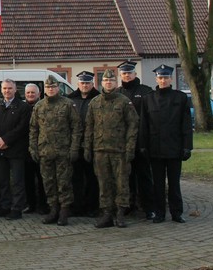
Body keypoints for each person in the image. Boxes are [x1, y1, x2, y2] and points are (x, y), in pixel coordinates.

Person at [83, 70, 139, 228]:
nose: (108, 83)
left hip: (119, 150)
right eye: (106, 80)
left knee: (121, 183)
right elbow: (89, 127)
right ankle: (107, 213)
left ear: (116, 82)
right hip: (100, 150)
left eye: (111, 80)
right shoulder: (94, 102)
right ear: (101, 83)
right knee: (104, 183)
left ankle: (120, 213)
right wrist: (87, 148)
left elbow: (133, 126)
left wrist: (129, 148)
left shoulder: (124, 102)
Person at [139, 65, 193, 224]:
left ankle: (177, 213)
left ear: (171, 79)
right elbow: (144, 125)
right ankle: (160, 213)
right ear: (156, 79)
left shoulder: (181, 98)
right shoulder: (148, 98)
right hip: (155, 148)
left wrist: (187, 147)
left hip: (175, 147)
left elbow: (186, 124)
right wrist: (143, 146)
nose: (163, 80)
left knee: (174, 183)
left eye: (166, 77)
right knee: (158, 184)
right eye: (160, 78)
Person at [29, 75, 82, 226]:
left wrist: (74, 149)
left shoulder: (67, 104)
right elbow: (33, 129)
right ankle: (53, 210)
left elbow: (76, 128)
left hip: (63, 152)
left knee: (64, 182)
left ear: (58, 88)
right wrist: (33, 148)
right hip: (45, 151)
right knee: (48, 182)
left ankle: (64, 211)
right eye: (48, 87)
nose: (50, 90)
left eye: (53, 87)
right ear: (44, 89)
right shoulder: (39, 106)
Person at [0, 79, 32, 220]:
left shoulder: (23, 107)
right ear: (1, 90)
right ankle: (5, 206)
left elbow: (22, 128)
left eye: (10, 88)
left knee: (17, 181)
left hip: (16, 150)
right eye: (5, 88)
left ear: (15, 90)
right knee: (3, 180)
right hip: (0, 149)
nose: (7, 91)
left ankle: (16, 208)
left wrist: (6, 140)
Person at [117, 60, 155, 220]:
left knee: (144, 177)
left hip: (141, 142)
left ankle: (148, 208)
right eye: (124, 73)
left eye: (129, 73)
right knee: (126, 177)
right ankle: (129, 205)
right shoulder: (118, 93)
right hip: (123, 144)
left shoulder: (146, 92)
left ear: (135, 74)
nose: (127, 75)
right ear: (120, 75)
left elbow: (150, 118)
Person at [67, 71, 101, 217]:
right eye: (82, 83)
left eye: (87, 83)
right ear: (78, 84)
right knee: (75, 178)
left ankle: (92, 207)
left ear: (92, 84)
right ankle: (77, 206)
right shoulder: (70, 99)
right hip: (75, 145)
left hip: (92, 145)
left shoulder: (99, 99)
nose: (85, 85)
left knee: (92, 178)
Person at [22, 84, 47, 215]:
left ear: (39, 94)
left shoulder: (44, 106)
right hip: (25, 149)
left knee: (43, 179)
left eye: (33, 93)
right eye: (28, 93)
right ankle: (30, 204)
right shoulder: (21, 107)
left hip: (42, 148)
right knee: (28, 180)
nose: (30, 95)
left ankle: (43, 205)